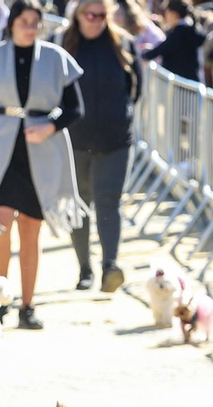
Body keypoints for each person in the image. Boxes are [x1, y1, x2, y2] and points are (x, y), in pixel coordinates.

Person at [0, 0, 84, 329]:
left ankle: (28, 305)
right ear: (12, 24)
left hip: (41, 152)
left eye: (35, 22)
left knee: (31, 231)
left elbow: (75, 107)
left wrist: (50, 125)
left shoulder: (56, 58)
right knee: (0, 224)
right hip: (1, 149)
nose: (30, 27)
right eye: (24, 21)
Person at [62, 0, 138, 292]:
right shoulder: (62, 44)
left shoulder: (125, 45)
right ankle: (84, 268)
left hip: (115, 139)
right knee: (79, 204)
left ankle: (110, 265)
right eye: (89, 15)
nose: (95, 20)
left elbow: (136, 88)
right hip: (74, 140)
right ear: (78, 16)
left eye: (101, 15)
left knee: (109, 201)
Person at [143, 0, 202, 81]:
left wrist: (144, 55)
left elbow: (162, 49)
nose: (165, 17)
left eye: (166, 12)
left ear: (174, 14)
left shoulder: (179, 32)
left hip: (182, 83)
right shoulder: (188, 30)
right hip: (188, 81)